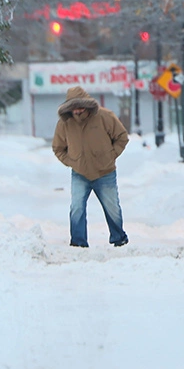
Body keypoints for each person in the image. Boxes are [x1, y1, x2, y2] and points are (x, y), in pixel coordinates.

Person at [52, 86, 130, 248]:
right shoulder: (64, 124)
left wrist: (110, 155)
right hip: (79, 173)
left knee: (112, 207)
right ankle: (78, 243)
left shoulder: (104, 116)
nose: (78, 111)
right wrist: (72, 161)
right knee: (76, 208)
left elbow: (122, 137)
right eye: (74, 108)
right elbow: (58, 148)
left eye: (81, 107)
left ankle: (119, 238)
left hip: (105, 172)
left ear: (87, 105)